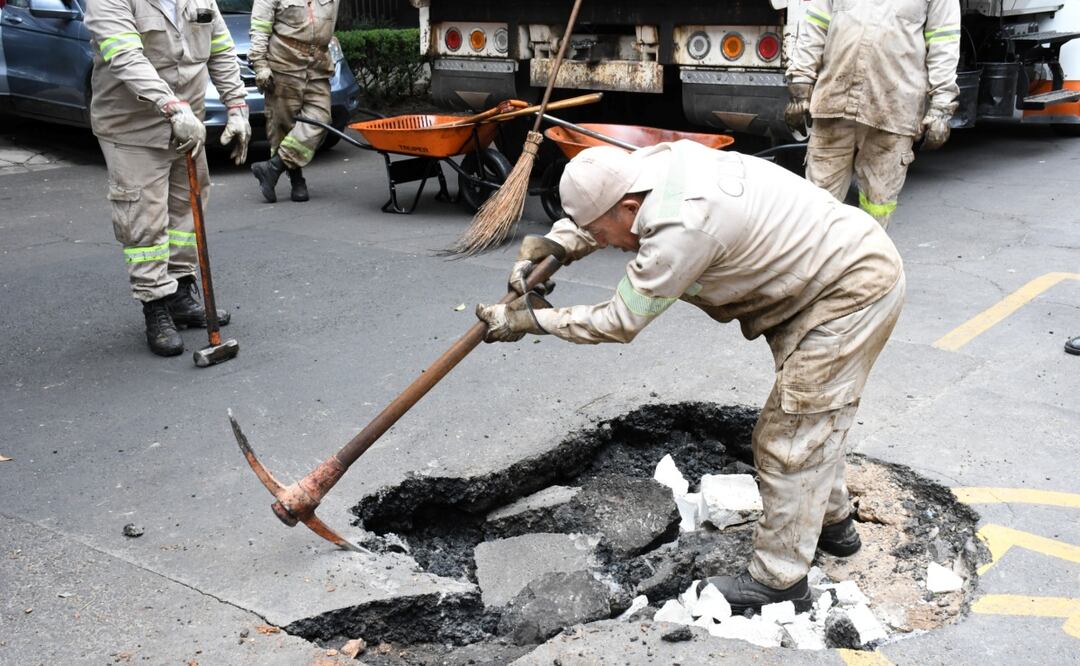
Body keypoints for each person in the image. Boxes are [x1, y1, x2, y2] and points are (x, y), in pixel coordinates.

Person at [476, 143, 905, 612]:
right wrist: (557, 244)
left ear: (630, 208)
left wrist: (533, 321)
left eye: (601, 234)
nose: (609, 244)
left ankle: (781, 582)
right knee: (812, 422)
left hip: (845, 295)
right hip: (815, 278)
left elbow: (621, 320)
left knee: (789, 440)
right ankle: (834, 526)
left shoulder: (683, 227)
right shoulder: (647, 166)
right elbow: (604, 211)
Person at [86, 0, 251, 357]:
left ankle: (179, 292)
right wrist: (171, 107)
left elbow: (221, 48)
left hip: (187, 125)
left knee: (186, 212)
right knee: (143, 221)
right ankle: (155, 304)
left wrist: (237, 107)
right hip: (132, 128)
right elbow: (126, 58)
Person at [785, 0, 961, 228]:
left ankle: (868, 258)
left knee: (877, 204)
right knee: (818, 207)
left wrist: (941, 108)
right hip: (834, 103)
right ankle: (820, 261)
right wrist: (800, 87)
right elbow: (815, 27)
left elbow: (944, 42)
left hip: (893, 111)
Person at [248, 0, 340, 203]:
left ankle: (272, 168)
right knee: (283, 126)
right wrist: (260, 65)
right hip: (283, 65)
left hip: (318, 66)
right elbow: (259, 28)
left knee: (321, 119)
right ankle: (296, 180)